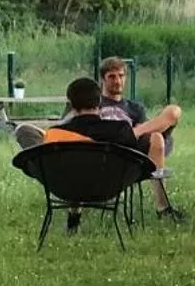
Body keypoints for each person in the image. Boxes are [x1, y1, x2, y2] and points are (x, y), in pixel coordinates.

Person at [53, 76, 186, 225]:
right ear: (99, 103)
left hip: (71, 187)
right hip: (111, 186)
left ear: (70, 105)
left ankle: (74, 215)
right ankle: (162, 207)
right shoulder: (120, 130)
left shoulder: (56, 134)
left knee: (77, 166)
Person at [96, 57, 185, 216]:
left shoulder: (134, 108)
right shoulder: (94, 104)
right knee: (157, 137)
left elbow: (150, 137)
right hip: (105, 154)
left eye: (121, 76)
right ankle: (163, 208)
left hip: (133, 154)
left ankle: (163, 208)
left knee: (172, 112)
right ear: (103, 78)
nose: (118, 81)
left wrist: (134, 133)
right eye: (112, 76)